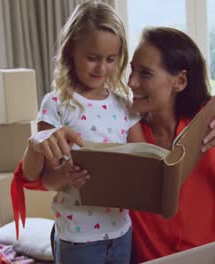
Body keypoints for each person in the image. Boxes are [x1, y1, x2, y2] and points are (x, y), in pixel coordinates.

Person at [11, 1, 145, 263]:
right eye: (92, 58)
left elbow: (144, 160)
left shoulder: (124, 105)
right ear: (71, 49)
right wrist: (65, 175)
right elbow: (46, 180)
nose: (101, 68)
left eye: (110, 59)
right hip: (78, 237)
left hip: (121, 230)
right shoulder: (55, 104)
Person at [126, 27, 215, 263]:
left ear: (180, 81)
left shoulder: (210, 115)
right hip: (155, 257)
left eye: (145, 73)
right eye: (132, 69)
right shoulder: (122, 126)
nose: (131, 82)